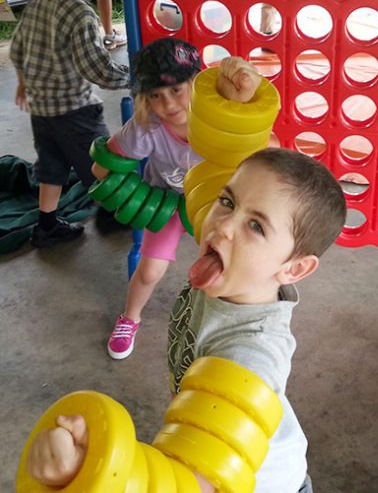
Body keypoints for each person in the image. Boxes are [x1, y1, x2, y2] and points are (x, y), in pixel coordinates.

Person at [25, 147, 347, 493]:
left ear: (294, 268)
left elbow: (190, 486)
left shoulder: (249, 356)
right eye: (227, 201)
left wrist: (89, 468)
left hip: (256, 481)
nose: (224, 226)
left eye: (256, 225)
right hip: (210, 424)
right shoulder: (234, 276)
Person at [93, 40, 262, 361]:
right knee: (149, 271)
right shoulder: (146, 129)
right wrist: (127, 192)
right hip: (167, 205)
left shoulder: (221, 122)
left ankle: (237, 327)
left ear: (197, 84)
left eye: (176, 91)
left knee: (237, 265)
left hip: (218, 203)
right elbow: (103, 167)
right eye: (155, 95)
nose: (167, 104)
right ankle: (130, 317)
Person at [9, 0, 130, 249]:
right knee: (102, 161)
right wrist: (135, 79)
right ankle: (111, 212)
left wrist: (24, 82)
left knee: (50, 167)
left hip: (42, 110)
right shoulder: (81, 13)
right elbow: (98, 70)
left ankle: (46, 225)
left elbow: (18, 46)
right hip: (75, 111)